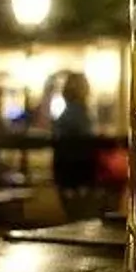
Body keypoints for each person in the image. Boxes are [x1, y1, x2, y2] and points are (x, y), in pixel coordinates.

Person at [52, 73, 97, 219]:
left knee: (71, 204)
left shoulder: (66, 114)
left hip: (65, 162)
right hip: (80, 163)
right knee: (80, 205)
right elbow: (86, 136)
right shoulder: (81, 114)